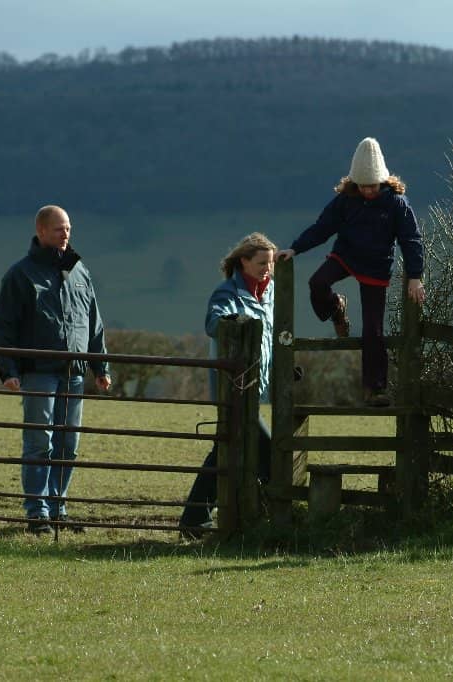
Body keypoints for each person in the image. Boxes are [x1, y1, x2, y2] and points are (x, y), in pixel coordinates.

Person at [276, 137, 425, 407]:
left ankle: (375, 390)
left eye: (373, 185)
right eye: (363, 185)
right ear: (355, 182)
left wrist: (415, 276)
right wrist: (295, 249)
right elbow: (322, 228)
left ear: (383, 181)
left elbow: (411, 240)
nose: (368, 190)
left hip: (377, 266)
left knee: (373, 330)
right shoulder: (345, 200)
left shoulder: (397, 203)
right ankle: (335, 309)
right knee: (317, 283)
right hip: (346, 256)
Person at [0, 205, 112, 535]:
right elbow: (4, 327)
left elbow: (94, 324)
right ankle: (37, 512)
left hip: (74, 371)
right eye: (59, 229)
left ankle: (58, 507)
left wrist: (100, 366)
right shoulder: (21, 275)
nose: (66, 234)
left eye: (69, 228)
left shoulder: (80, 272)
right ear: (41, 231)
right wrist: (8, 370)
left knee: (68, 444)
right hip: (37, 372)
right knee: (38, 441)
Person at [179, 232, 276, 535]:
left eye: (270, 264)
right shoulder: (228, 293)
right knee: (264, 450)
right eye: (261, 263)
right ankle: (262, 513)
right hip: (231, 386)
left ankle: (198, 519)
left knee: (228, 448)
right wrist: (233, 321)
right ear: (244, 261)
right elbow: (213, 324)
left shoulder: (269, 293)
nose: (267, 270)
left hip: (254, 386)